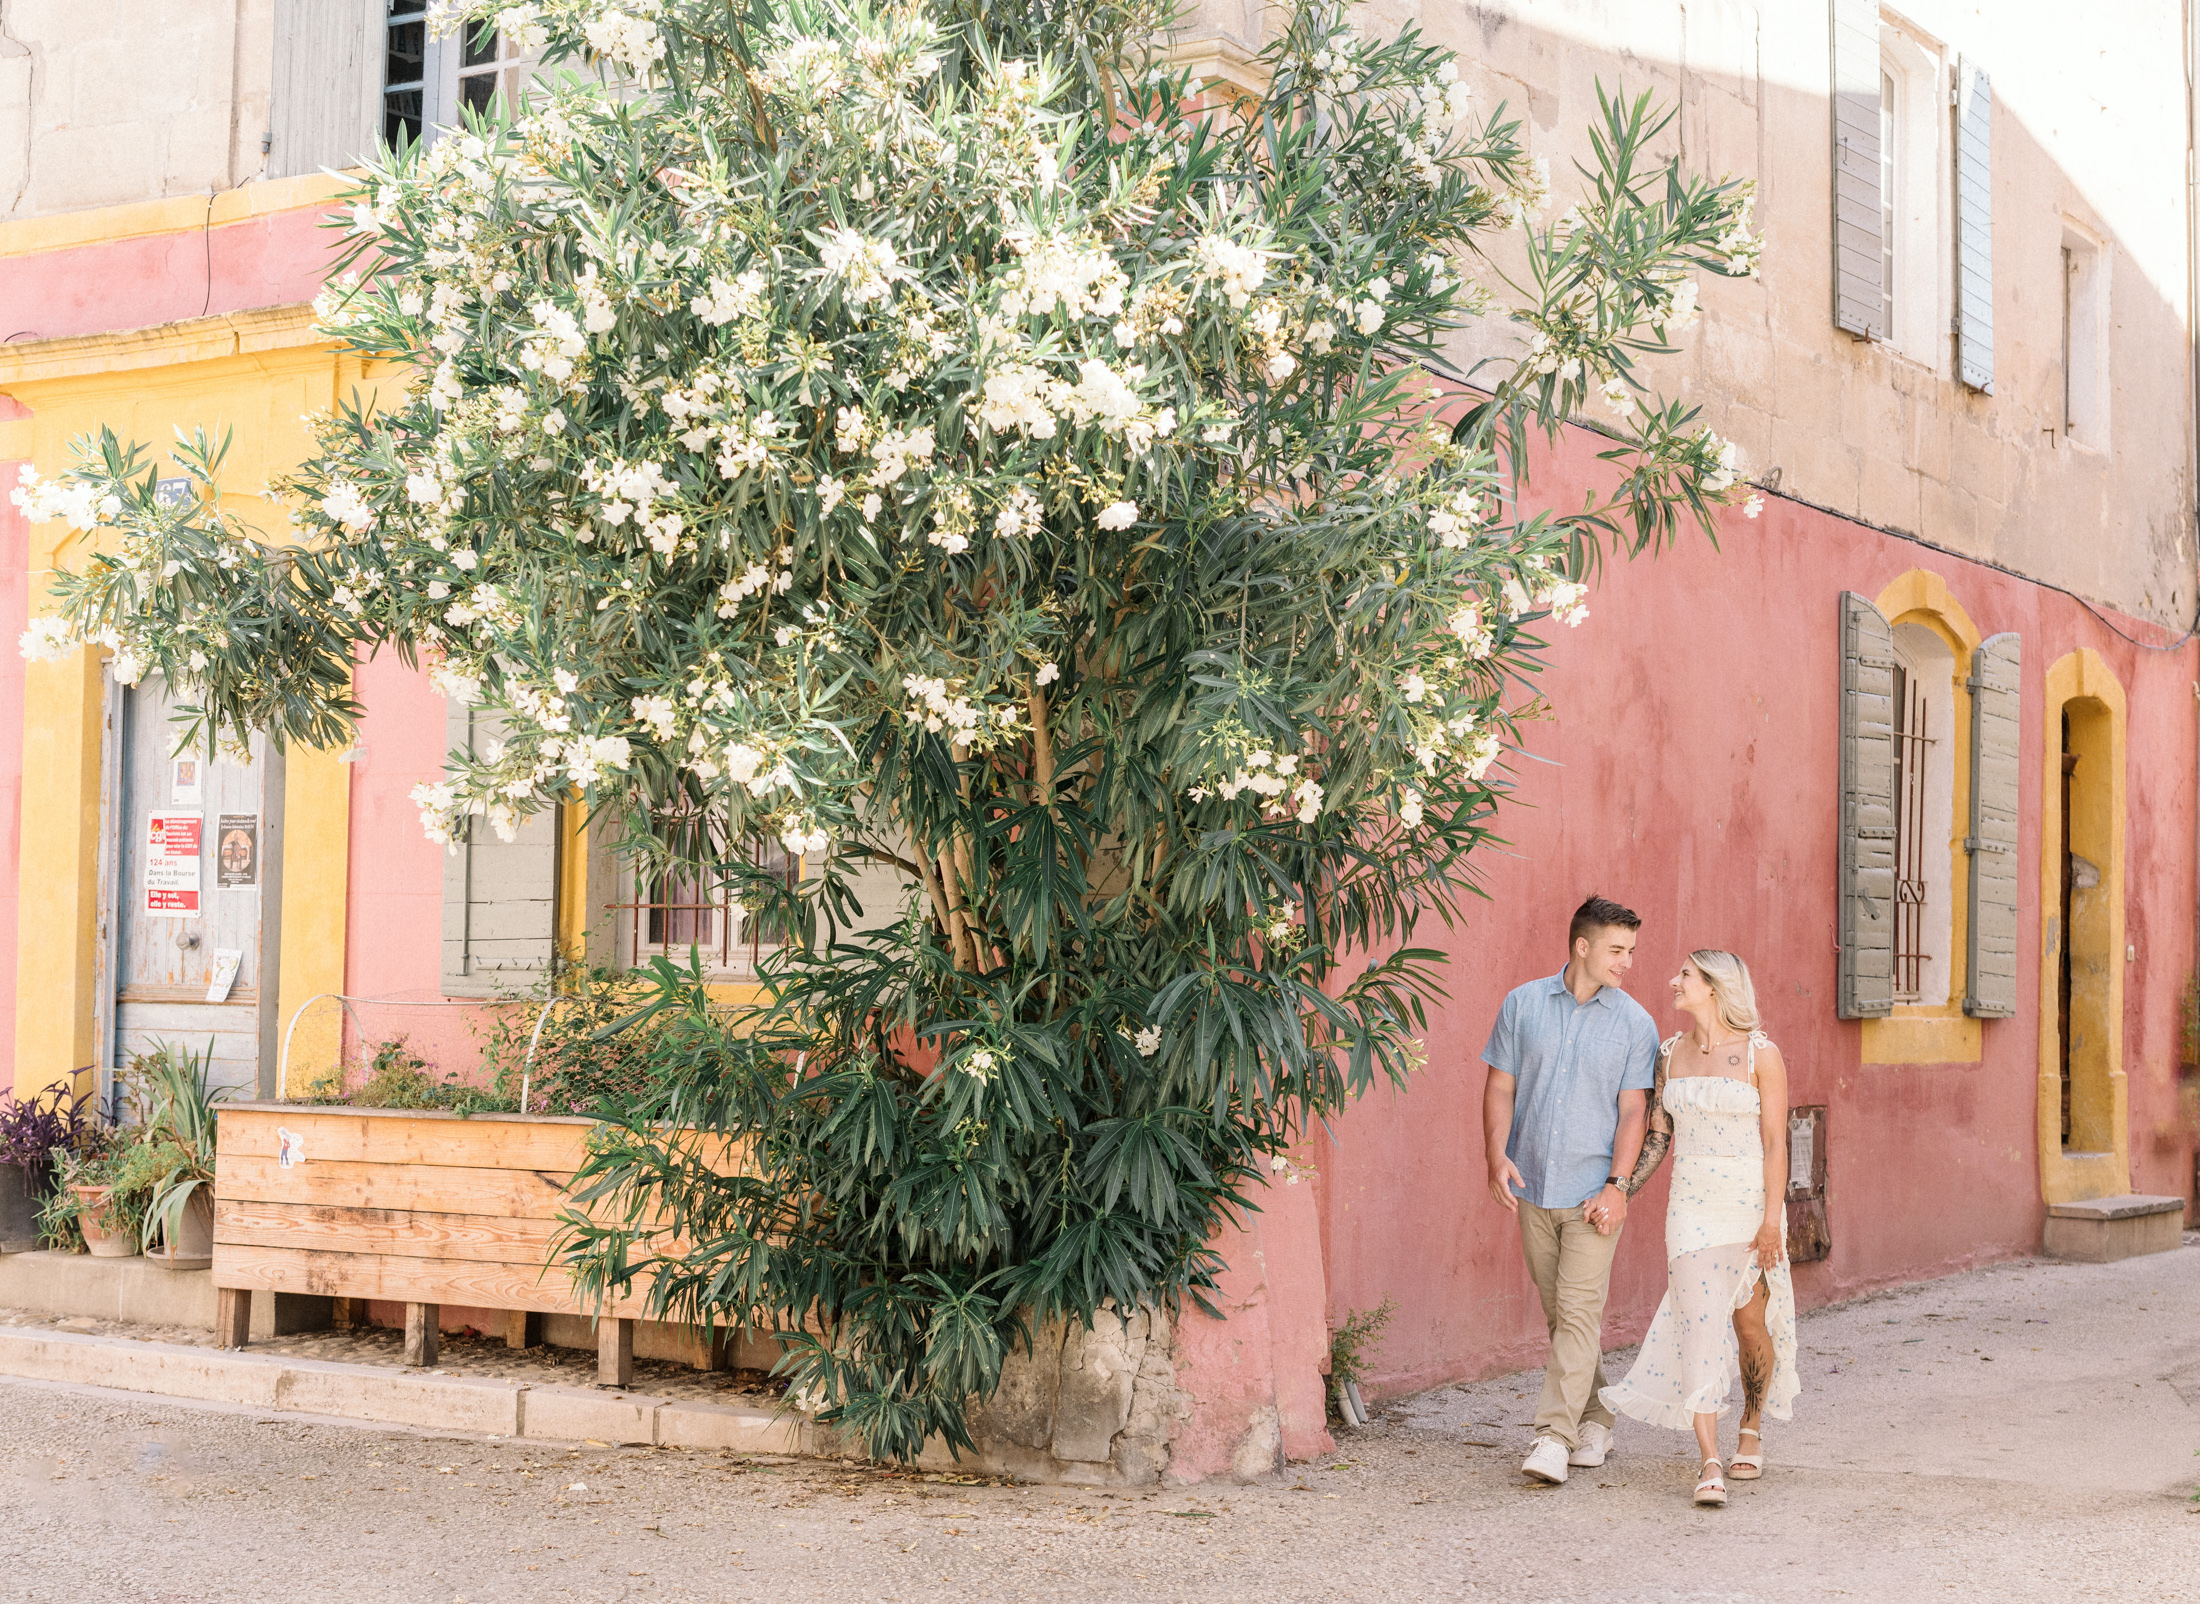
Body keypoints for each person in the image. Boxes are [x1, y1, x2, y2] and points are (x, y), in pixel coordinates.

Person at [1601, 949, 1801, 1506]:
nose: (1674, 981)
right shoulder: (1669, 1054)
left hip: (1749, 1205)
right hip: (1690, 1206)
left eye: (1684, 975)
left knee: (1750, 1325)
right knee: (1698, 1327)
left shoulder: (1763, 1055)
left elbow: (1773, 1143)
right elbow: (1659, 1135)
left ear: (1713, 987)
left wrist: (1769, 1220)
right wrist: (1621, 1190)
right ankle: (1709, 1461)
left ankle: (1752, 1422)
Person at [1482, 894, 1660, 1486]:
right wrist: (1496, 1155)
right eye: (1617, 949)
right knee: (1562, 1316)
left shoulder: (1635, 1021)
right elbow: (1500, 1086)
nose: (1627, 961)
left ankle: (1552, 1437)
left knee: (1580, 1313)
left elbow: (1633, 1113)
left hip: (1592, 1194)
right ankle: (1597, 1416)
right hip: (1534, 1183)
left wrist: (1618, 1187)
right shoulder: (1522, 1004)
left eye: (1631, 950)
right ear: (1581, 946)